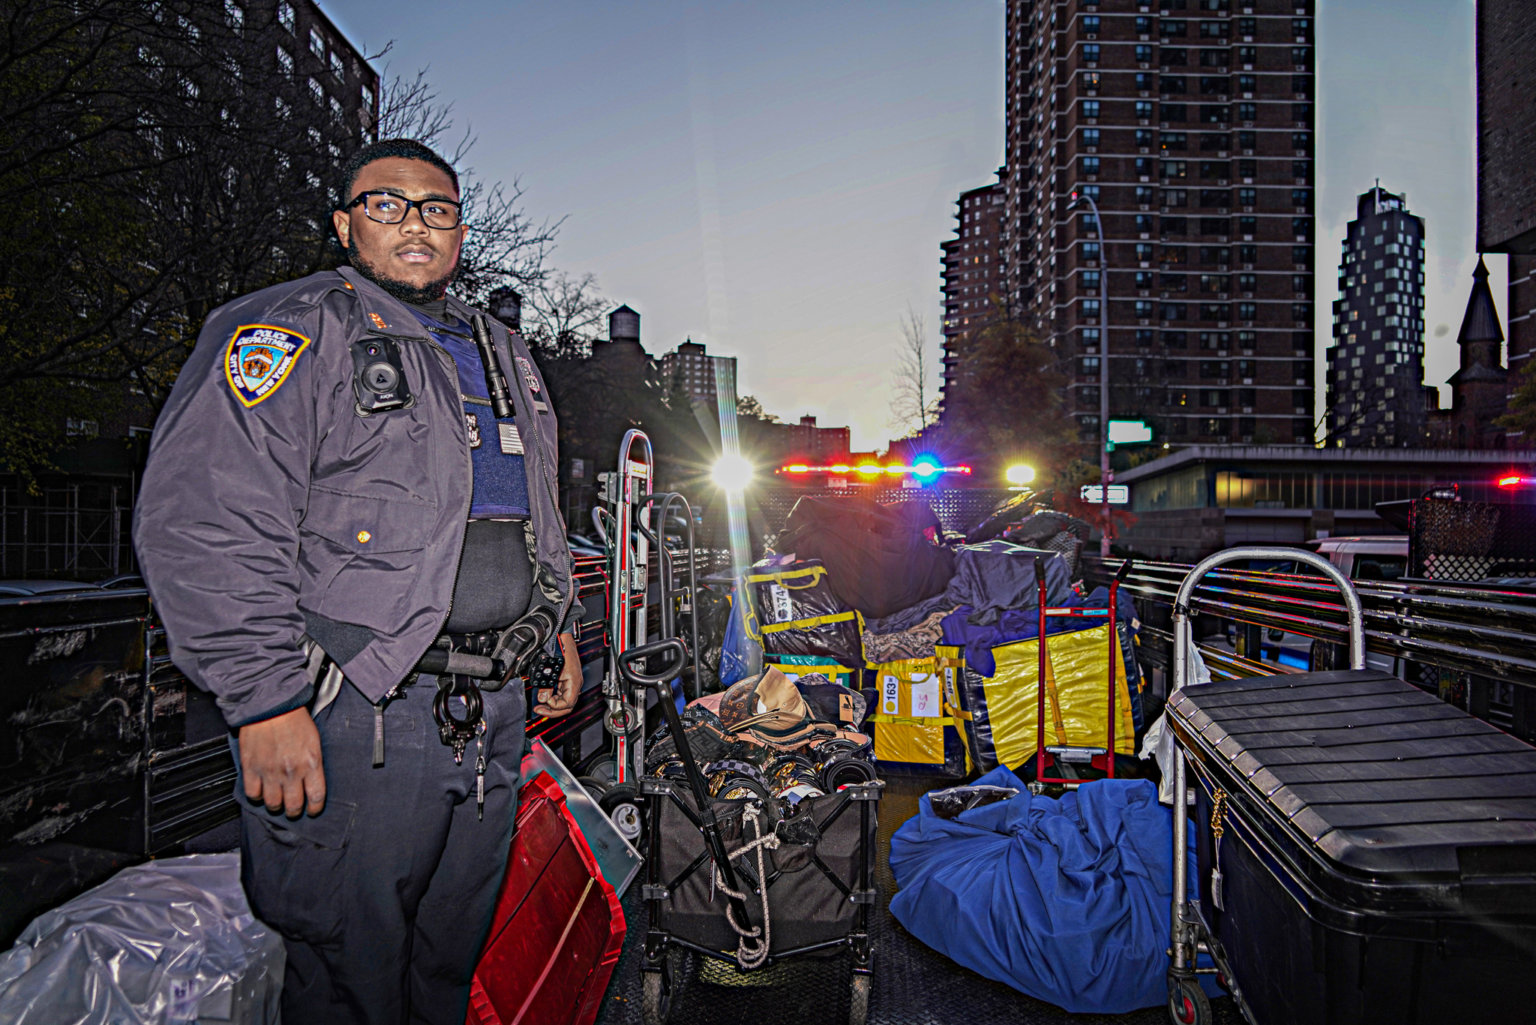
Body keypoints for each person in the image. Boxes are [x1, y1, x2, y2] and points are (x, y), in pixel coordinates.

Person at [134, 138, 583, 1024]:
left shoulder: (503, 352)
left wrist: (554, 617)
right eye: (388, 204)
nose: (416, 223)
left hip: (490, 714)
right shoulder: (289, 330)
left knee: (447, 965)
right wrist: (263, 701)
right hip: (360, 713)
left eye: (438, 208)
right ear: (346, 224)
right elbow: (209, 521)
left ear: (460, 230)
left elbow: (530, 503)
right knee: (349, 977)